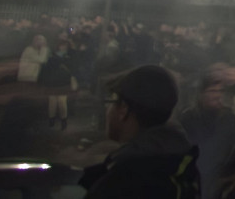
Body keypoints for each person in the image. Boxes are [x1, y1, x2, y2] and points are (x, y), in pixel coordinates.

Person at [79, 64, 199, 197]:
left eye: (111, 101)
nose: (108, 110)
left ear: (123, 109)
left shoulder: (123, 181)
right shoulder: (179, 165)